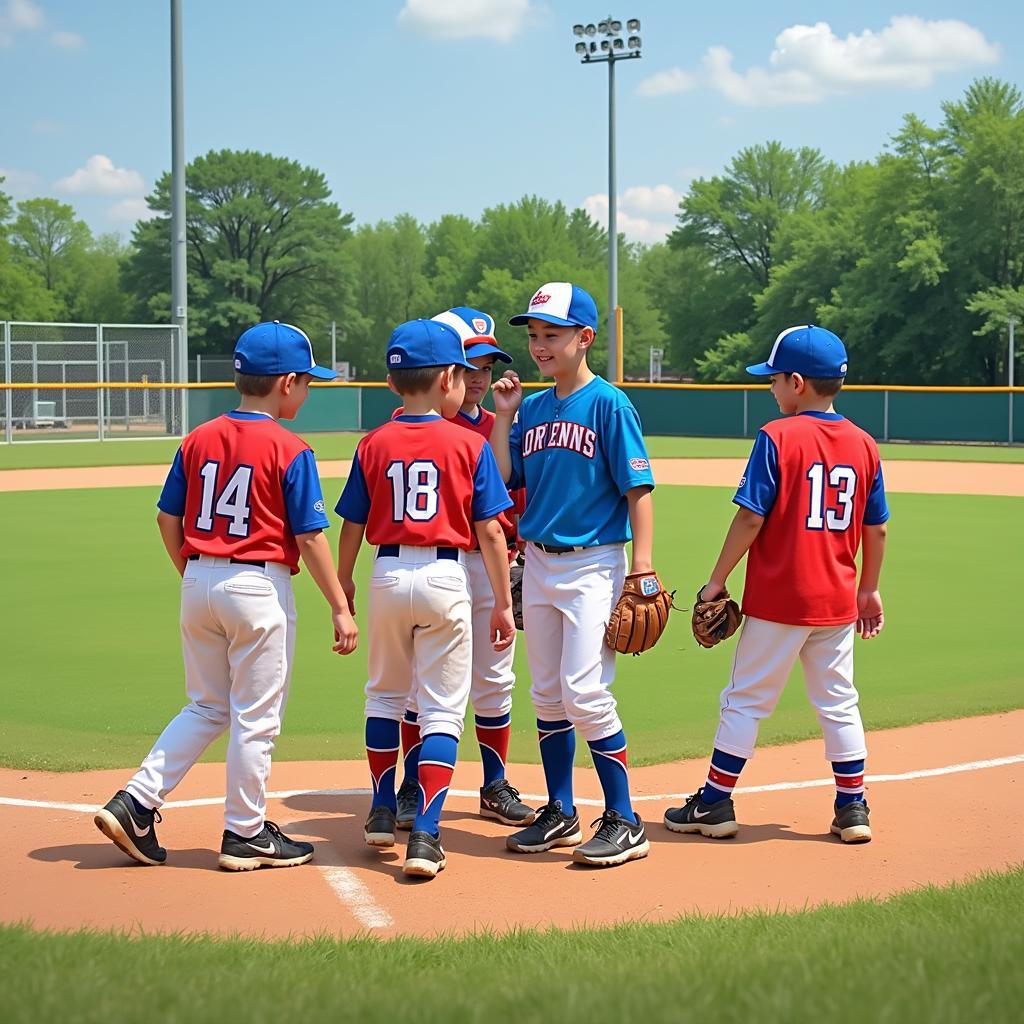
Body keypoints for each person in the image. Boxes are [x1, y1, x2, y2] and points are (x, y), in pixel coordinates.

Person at [94, 321, 358, 870]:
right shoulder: (291, 447)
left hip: (200, 578)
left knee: (207, 705)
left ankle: (136, 801)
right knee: (256, 717)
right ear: (286, 383)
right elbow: (309, 536)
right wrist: (339, 604)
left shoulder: (198, 437)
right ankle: (245, 833)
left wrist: (192, 573)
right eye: (306, 381)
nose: (308, 390)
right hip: (258, 586)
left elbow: (168, 517)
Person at [664, 324, 888, 844]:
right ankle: (853, 807)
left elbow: (749, 519)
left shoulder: (777, 436)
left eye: (773, 379)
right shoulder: (864, 443)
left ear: (796, 381)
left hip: (779, 599)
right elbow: (876, 527)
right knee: (838, 701)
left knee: (745, 701)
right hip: (836, 601)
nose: (770, 387)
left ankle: (715, 803)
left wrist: (715, 582)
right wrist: (869, 590)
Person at [336, 318, 516, 879]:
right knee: (441, 707)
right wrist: (504, 604)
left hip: (387, 572)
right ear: (447, 381)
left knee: (385, 697)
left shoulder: (374, 442)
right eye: (463, 374)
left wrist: (343, 584)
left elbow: (351, 523)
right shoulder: (467, 442)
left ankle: (382, 808)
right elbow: (490, 530)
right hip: (444, 577)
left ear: (393, 384)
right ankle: (428, 836)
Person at [489, 282, 656, 868]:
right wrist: (503, 418)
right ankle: (560, 809)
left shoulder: (610, 404)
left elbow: (639, 490)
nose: (539, 345)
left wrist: (643, 569)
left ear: (584, 338)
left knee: (584, 690)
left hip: (594, 564)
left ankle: (625, 819)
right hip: (537, 562)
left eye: (552, 335)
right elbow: (505, 478)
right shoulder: (530, 408)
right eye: (533, 335)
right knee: (547, 694)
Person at [394, 307, 536, 832]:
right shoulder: (413, 423)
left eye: (488, 363)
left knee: (495, 679)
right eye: (470, 363)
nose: (479, 375)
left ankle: (494, 784)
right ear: (447, 368)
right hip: (441, 564)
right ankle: (412, 784)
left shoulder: (499, 424)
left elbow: (511, 499)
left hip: (490, 565)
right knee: (417, 685)